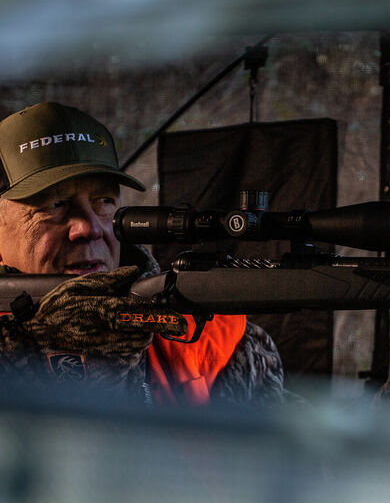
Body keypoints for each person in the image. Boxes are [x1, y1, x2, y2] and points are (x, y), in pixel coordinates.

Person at [0, 101, 286, 407]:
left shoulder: (213, 339)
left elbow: (286, 450)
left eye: (104, 200)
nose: (89, 227)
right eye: (55, 204)